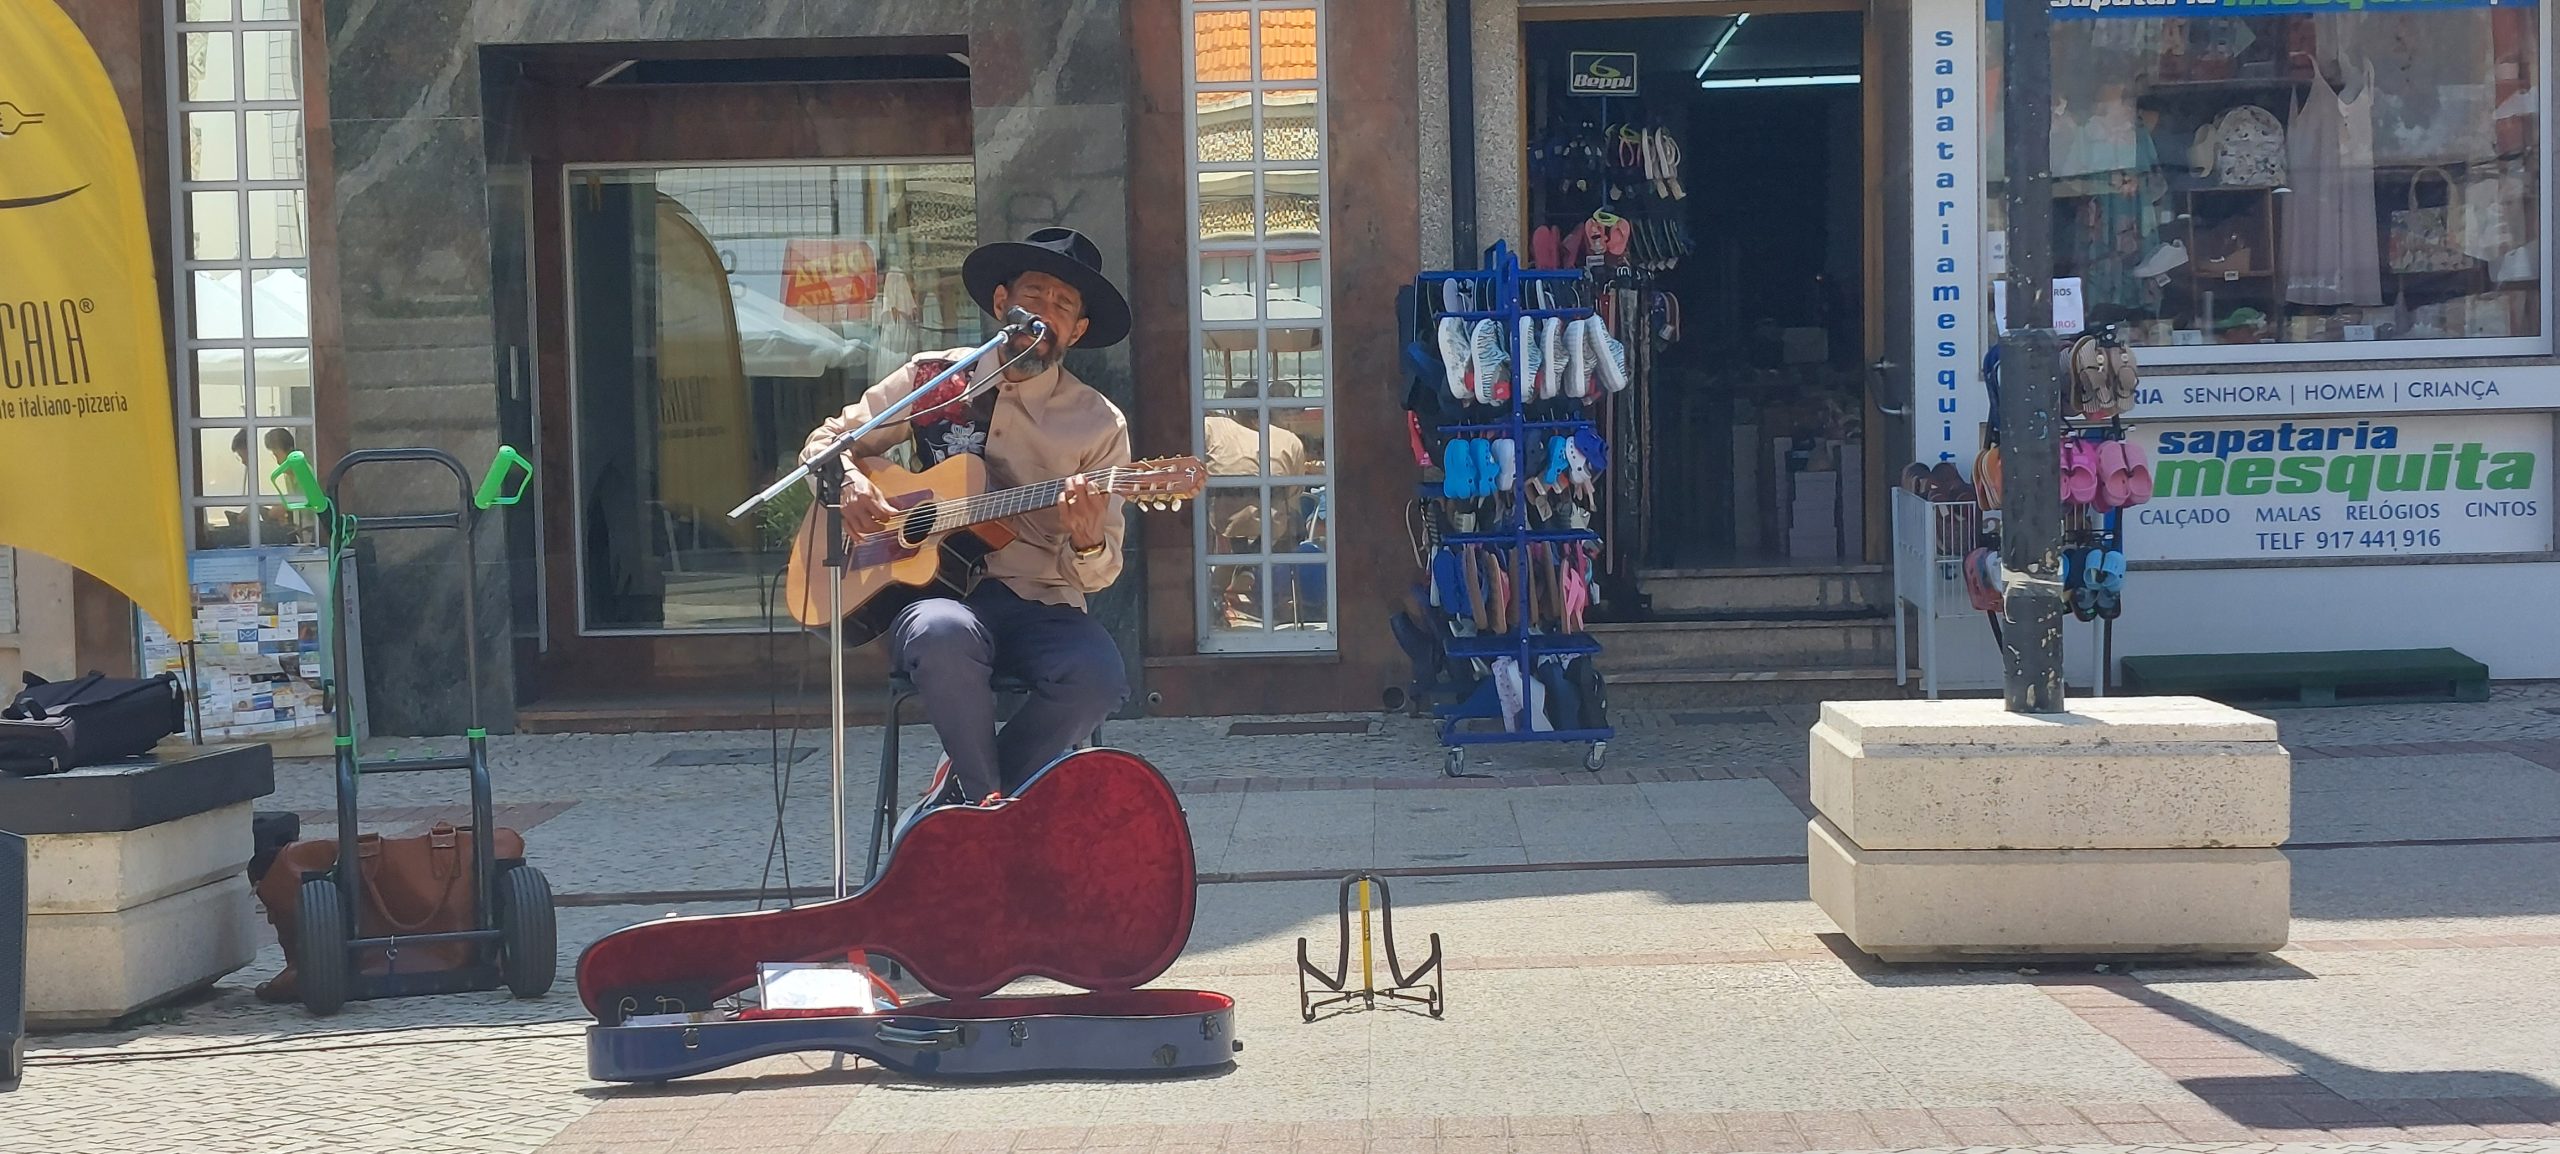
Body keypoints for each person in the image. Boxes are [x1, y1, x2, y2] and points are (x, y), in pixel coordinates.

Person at [800, 227, 1133, 805]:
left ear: (1077, 331)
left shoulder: (1099, 424)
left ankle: (963, 803)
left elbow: (1100, 572)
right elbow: (827, 442)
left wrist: (1085, 542)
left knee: (1097, 677)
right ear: (1003, 303)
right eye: (1035, 296)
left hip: (1041, 603)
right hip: (933, 595)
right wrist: (848, 482)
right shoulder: (933, 379)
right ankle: (987, 807)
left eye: (1064, 306)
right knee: (942, 632)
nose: (1045, 315)